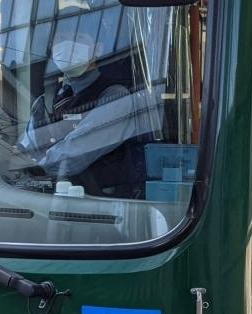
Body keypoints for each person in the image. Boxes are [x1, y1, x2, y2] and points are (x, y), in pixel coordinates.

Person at [19, 31, 157, 197]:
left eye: (78, 38)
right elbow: (27, 148)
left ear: (97, 49)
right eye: (61, 39)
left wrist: (36, 169)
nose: (68, 46)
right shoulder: (44, 101)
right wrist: (16, 163)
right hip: (44, 200)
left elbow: (79, 149)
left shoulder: (114, 96)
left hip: (97, 203)